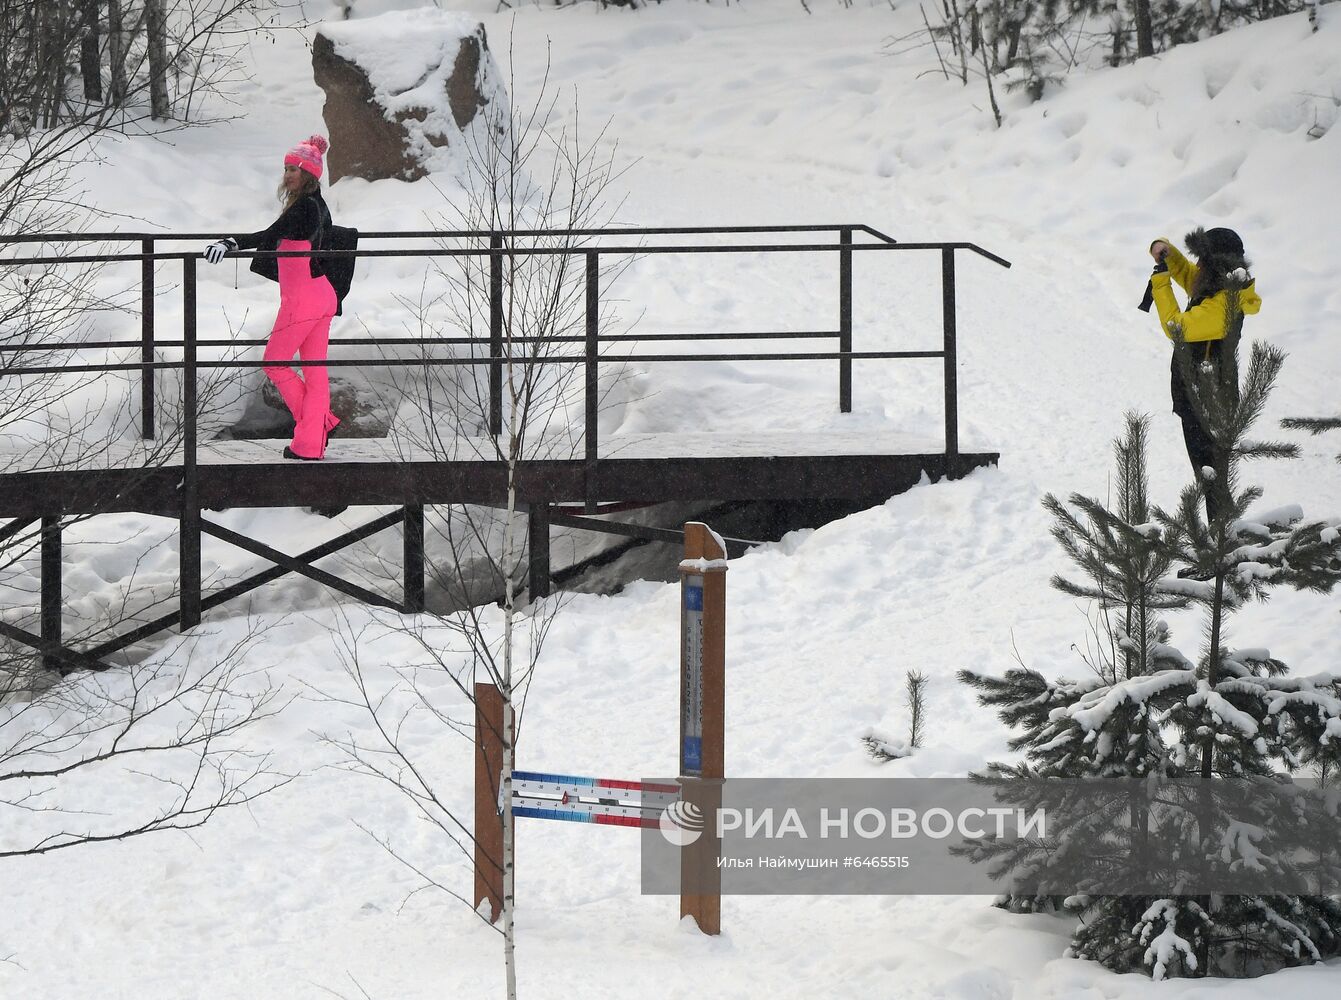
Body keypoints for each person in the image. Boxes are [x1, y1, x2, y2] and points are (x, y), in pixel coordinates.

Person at [203, 134, 340, 460]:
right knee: (315, 371)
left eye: (295, 169)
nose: (288, 174)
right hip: (322, 295)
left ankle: (313, 425)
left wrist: (231, 242)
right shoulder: (317, 206)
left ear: (309, 174)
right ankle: (313, 436)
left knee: (275, 362)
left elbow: (268, 235)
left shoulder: (304, 208)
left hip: (304, 300)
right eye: (287, 168)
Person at [1145, 227, 1260, 518]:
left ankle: (1222, 551)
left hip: (1207, 400)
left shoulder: (1223, 304)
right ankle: (1223, 546)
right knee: (1210, 478)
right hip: (1197, 395)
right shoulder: (1217, 287)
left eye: (1203, 260)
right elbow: (1187, 274)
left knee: (1211, 478)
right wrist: (1166, 251)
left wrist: (1160, 284)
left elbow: (1175, 327)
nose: (1196, 265)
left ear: (1216, 265)